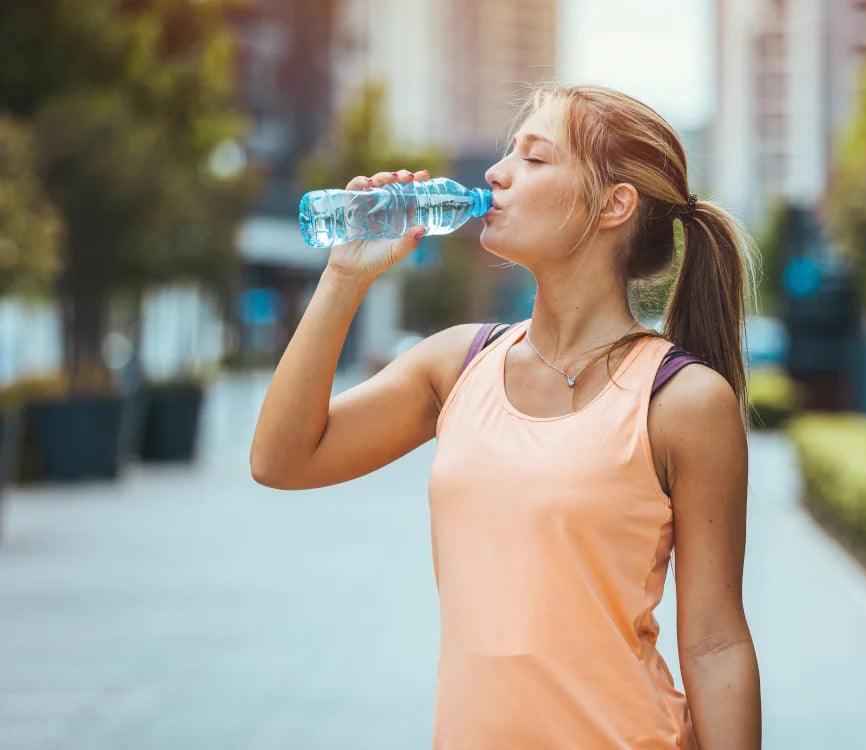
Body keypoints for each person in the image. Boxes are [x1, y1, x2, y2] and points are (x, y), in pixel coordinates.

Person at [250, 83, 762, 749]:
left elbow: (717, 646)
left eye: (535, 158)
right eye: (506, 154)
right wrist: (345, 275)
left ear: (615, 205)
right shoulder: (455, 365)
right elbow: (281, 460)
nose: (496, 174)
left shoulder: (681, 401)